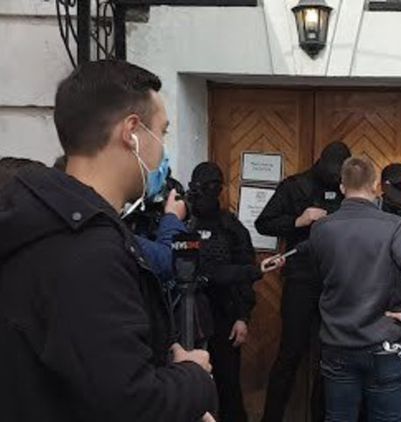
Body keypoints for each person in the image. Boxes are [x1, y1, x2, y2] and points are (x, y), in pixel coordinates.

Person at [0, 60, 217, 421]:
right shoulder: (88, 250)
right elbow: (131, 403)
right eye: (162, 132)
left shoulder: (41, 221)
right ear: (132, 132)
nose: (163, 151)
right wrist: (193, 376)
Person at [307, 156, 401, 421]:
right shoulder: (396, 226)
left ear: (342, 187)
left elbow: (315, 277)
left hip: (337, 341)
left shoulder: (321, 229)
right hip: (384, 341)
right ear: (375, 185)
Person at [256, 142, 351, 422]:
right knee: (290, 353)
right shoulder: (295, 186)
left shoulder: (349, 191)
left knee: (330, 359)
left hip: (336, 283)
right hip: (300, 280)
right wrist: (299, 220)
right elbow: (264, 223)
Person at [187, 161, 264, 422]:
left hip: (225, 315)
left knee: (228, 385)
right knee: (191, 385)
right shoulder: (184, 222)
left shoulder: (230, 226)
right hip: (188, 314)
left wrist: (243, 317)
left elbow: (245, 273)